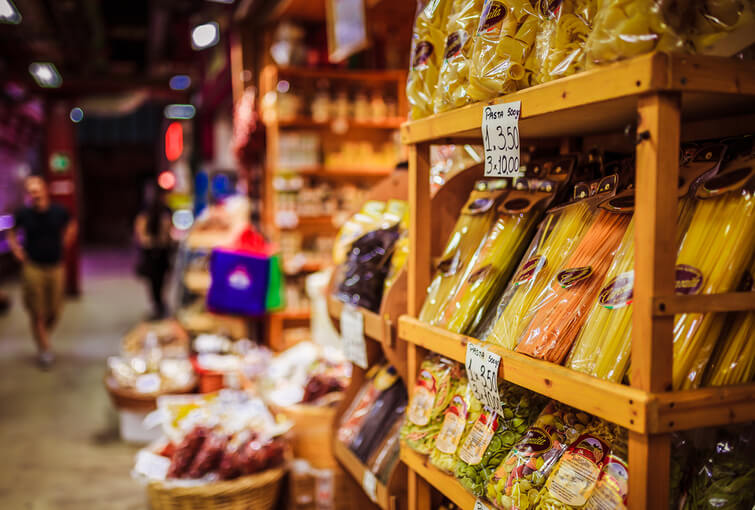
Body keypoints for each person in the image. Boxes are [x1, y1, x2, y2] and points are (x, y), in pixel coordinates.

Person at [7, 175, 77, 368]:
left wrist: (66, 241)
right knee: (37, 310)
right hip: (33, 266)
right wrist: (16, 250)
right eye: (30, 189)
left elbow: (72, 224)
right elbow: (11, 231)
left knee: (54, 310)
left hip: (55, 266)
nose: (34, 192)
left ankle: (42, 333)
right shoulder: (23, 213)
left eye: (37, 188)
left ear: (45, 190)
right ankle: (45, 348)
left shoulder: (58, 211)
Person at [134, 186, 173, 319]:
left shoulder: (146, 211)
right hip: (160, 251)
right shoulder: (164, 211)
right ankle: (159, 304)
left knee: (154, 281)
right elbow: (167, 232)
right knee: (159, 280)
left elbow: (140, 232)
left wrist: (147, 242)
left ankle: (158, 304)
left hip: (151, 252)